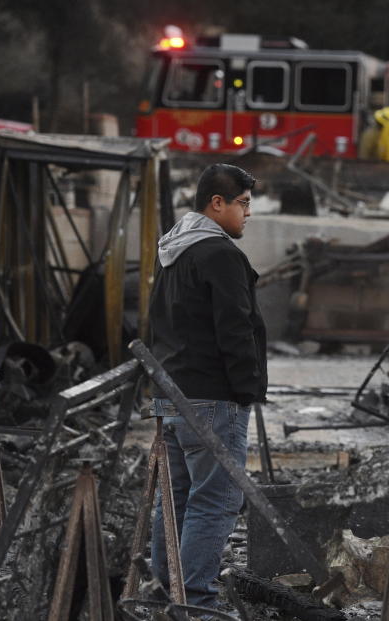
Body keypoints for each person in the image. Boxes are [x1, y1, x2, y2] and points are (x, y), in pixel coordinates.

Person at [149, 163, 267, 613]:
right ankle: (194, 602)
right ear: (216, 203)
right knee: (217, 501)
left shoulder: (174, 249)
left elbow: (160, 322)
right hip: (213, 396)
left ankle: (168, 591)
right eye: (243, 203)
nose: (247, 214)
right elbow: (235, 328)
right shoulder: (219, 254)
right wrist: (245, 390)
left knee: (175, 497)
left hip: (173, 391)